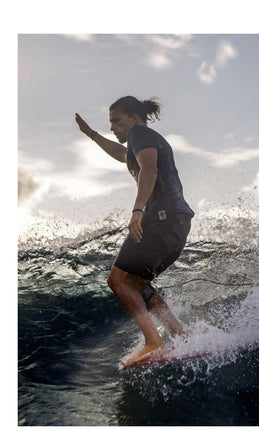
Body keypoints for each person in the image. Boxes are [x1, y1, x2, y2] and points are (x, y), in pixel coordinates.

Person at [75, 96, 194, 367]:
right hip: (176, 224)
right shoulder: (141, 141)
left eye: (117, 121)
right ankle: (181, 336)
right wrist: (91, 134)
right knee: (137, 284)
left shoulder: (140, 134)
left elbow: (149, 170)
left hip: (161, 220)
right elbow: (122, 155)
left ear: (134, 118)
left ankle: (154, 342)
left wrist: (138, 210)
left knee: (118, 280)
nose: (113, 127)